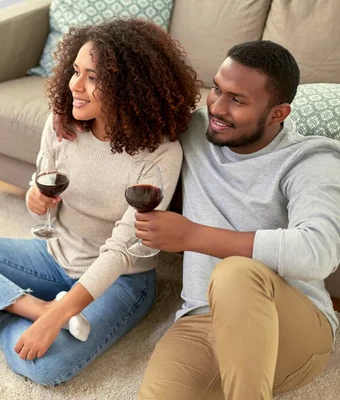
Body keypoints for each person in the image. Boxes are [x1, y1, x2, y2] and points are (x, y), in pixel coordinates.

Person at [0, 18, 200, 386]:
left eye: (93, 77)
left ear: (130, 87)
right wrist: (35, 198)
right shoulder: (62, 125)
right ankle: (33, 305)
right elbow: (45, 198)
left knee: (46, 366)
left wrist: (57, 320)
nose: (75, 86)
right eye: (75, 71)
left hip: (120, 280)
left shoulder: (159, 154)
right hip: (52, 258)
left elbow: (122, 250)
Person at [131, 41, 340, 399]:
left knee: (235, 272)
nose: (217, 107)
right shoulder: (198, 129)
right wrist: (67, 116)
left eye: (237, 100)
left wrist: (193, 236)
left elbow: (318, 251)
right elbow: (126, 112)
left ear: (278, 113)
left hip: (291, 325)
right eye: (216, 89)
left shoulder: (311, 160)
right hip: (200, 321)